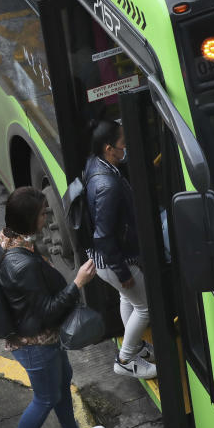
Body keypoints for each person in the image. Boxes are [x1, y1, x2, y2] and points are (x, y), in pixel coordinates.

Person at [0, 187, 106, 428]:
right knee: (45, 399)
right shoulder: (23, 265)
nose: (47, 217)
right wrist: (78, 283)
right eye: (42, 214)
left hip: (40, 335)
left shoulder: (3, 238)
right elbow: (49, 311)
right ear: (30, 220)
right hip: (35, 342)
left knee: (63, 380)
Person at [84, 119, 156, 379]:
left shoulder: (96, 164)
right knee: (145, 308)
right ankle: (125, 359)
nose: (126, 148)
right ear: (108, 149)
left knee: (129, 299)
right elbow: (103, 235)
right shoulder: (108, 186)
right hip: (114, 261)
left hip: (108, 260)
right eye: (123, 144)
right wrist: (122, 271)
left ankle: (134, 347)